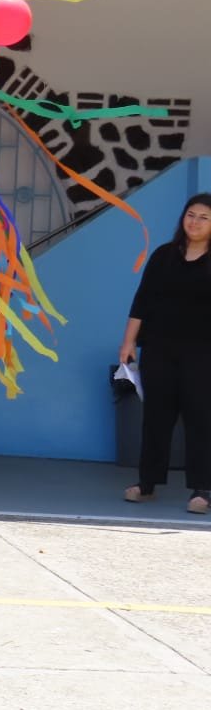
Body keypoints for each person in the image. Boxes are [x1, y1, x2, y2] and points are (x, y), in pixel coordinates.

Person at [118, 192, 211, 515]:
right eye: (191, 215)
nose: (195, 222)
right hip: (158, 348)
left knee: (201, 418)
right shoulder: (163, 256)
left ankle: (203, 489)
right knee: (156, 418)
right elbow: (142, 301)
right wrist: (128, 343)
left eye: (204, 218)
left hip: (202, 353)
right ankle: (147, 484)